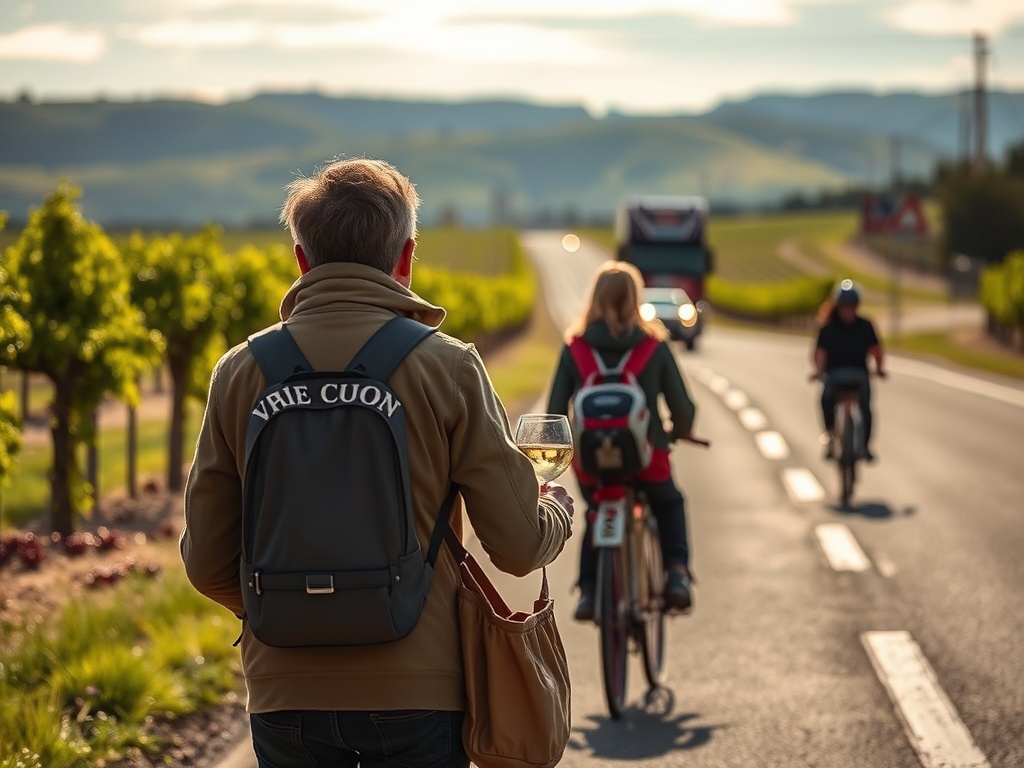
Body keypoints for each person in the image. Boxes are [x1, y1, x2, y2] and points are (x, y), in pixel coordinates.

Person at [180, 157, 574, 768]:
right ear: (406, 257)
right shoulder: (448, 367)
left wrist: (292, 608)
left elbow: (206, 561)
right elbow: (518, 547)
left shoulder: (239, 372)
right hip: (421, 689)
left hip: (285, 695)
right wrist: (554, 515)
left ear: (301, 260)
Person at [546, 261, 698, 622]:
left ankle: (587, 590)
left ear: (594, 299)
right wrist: (677, 430)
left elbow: (554, 413)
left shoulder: (575, 349)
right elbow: (684, 409)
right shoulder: (654, 347)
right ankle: (676, 574)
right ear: (636, 299)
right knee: (669, 503)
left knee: (596, 509)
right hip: (648, 458)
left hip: (592, 461)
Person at [811, 279, 887, 461]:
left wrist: (818, 371)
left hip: (854, 376)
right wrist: (879, 369)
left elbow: (819, 354)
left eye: (851, 305)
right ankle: (834, 436)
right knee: (833, 400)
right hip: (843, 376)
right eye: (845, 305)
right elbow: (877, 351)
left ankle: (859, 444)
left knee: (860, 406)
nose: (848, 309)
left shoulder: (828, 328)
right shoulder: (863, 326)